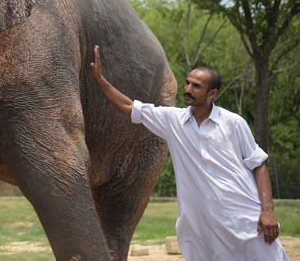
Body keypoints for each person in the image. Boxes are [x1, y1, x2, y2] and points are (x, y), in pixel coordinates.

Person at [90, 45, 288, 261]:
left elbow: (259, 164)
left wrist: (267, 211)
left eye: (196, 86)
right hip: (202, 228)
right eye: (187, 82)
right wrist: (100, 79)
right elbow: (129, 106)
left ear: (212, 93)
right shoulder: (173, 120)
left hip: (245, 220)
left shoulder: (233, 123)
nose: (188, 89)